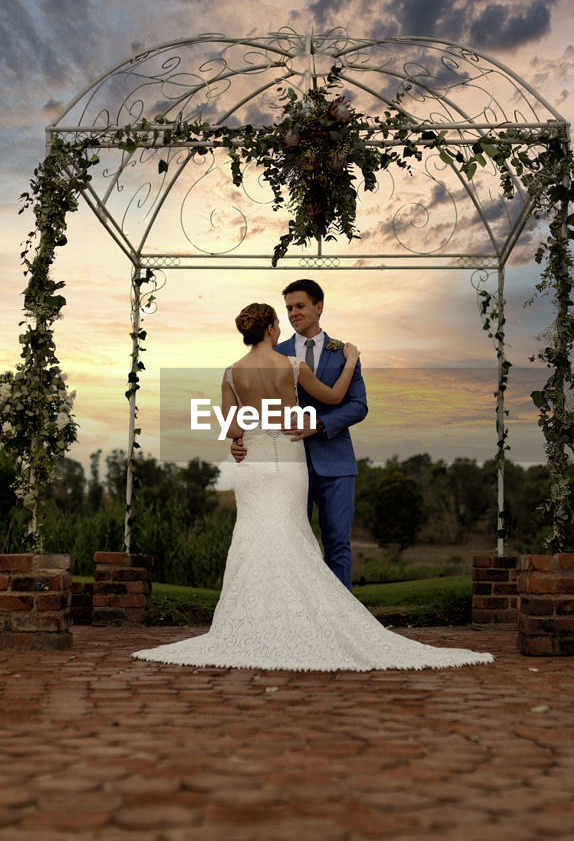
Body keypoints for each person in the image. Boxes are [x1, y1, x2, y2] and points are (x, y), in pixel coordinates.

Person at [131, 303, 492, 671]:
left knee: (253, 537)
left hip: (252, 466)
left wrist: (239, 440)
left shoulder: (231, 373)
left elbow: (231, 428)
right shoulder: (291, 366)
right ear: (272, 328)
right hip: (289, 460)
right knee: (291, 533)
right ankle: (304, 620)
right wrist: (350, 360)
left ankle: (258, 625)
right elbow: (334, 398)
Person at [230, 279, 363, 590]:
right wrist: (240, 441)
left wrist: (318, 424)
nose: (293, 313)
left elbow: (358, 406)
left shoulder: (344, 352)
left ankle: (341, 621)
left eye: (299, 306)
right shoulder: (276, 352)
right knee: (287, 543)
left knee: (337, 546)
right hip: (286, 464)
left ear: (319, 307)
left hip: (335, 462)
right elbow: (253, 408)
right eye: (288, 308)